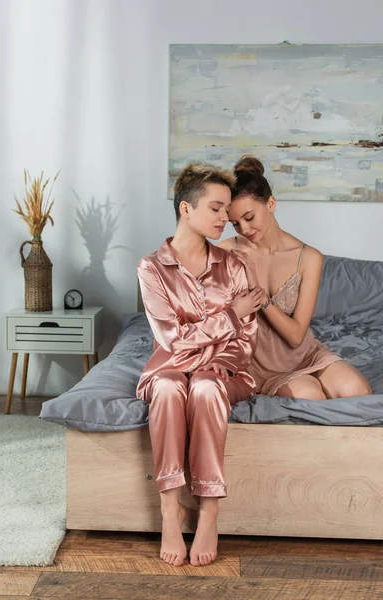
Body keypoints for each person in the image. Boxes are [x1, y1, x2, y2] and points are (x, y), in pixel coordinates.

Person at [136, 163, 260, 567]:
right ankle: (170, 509)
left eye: (227, 210)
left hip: (227, 374)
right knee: (171, 387)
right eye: (217, 208)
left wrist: (207, 361)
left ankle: (209, 511)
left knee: (205, 386)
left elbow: (245, 345)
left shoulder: (235, 267)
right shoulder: (151, 269)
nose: (226, 218)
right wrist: (229, 317)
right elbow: (171, 341)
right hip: (167, 371)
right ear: (186, 210)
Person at [219, 155, 371, 401]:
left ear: (270, 203)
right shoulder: (226, 252)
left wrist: (259, 293)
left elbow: (296, 335)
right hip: (258, 363)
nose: (244, 230)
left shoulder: (309, 257)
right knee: (311, 397)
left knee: (358, 391)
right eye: (234, 224)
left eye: (249, 218)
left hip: (302, 352)